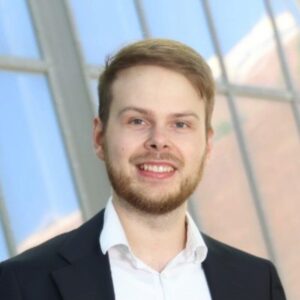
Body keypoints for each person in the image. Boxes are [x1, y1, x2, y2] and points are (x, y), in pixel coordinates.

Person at [0, 39, 286, 300]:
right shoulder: (21, 284)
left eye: (180, 124)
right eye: (137, 121)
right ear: (99, 137)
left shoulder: (258, 283)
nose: (159, 141)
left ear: (207, 145)